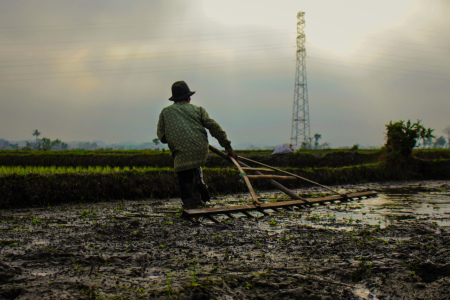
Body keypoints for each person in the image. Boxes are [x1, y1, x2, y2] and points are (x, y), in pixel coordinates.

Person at [157, 81, 237, 209]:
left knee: (185, 179)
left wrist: (174, 137)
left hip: (181, 155)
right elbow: (214, 127)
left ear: (174, 99)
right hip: (200, 150)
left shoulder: (165, 113)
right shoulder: (197, 109)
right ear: (189, 98)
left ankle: (191, 203)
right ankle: (200, 185)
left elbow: (162, 137)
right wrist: (228, 148)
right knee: (194, 164)